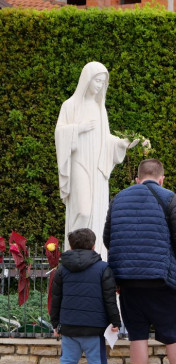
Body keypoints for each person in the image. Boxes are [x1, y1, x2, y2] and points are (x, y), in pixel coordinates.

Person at [103, 159, 176, 364]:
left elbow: (107, 239)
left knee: (137, 336)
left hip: (127, 280)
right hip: (161, 278)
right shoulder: (169, 198)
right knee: (174, 335)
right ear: (161, 179)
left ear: (137, 179)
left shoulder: (119, 199)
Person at [55, 61, 138, 257]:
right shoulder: (70, 105)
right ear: (87, 80)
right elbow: (59, 134)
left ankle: (94, 256)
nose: (100, 86)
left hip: (97, 168)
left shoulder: (100, 108)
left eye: (103, 82)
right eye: (97, 81)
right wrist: (79, 128)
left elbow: (105, 139)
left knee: (98, 213)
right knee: (82, 210)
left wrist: (122, 143)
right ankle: (75, 254)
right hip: (79, 163)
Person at [50, 228, 121, 364]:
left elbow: (56, 298)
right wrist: (115, 321)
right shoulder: (103, 268)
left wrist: (55, 323)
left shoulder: (61, 269)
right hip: (94, 327)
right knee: (95, 363)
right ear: (94, 245)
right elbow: (109, 299)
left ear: (71, 246)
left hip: (69, 325)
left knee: (67, 361)